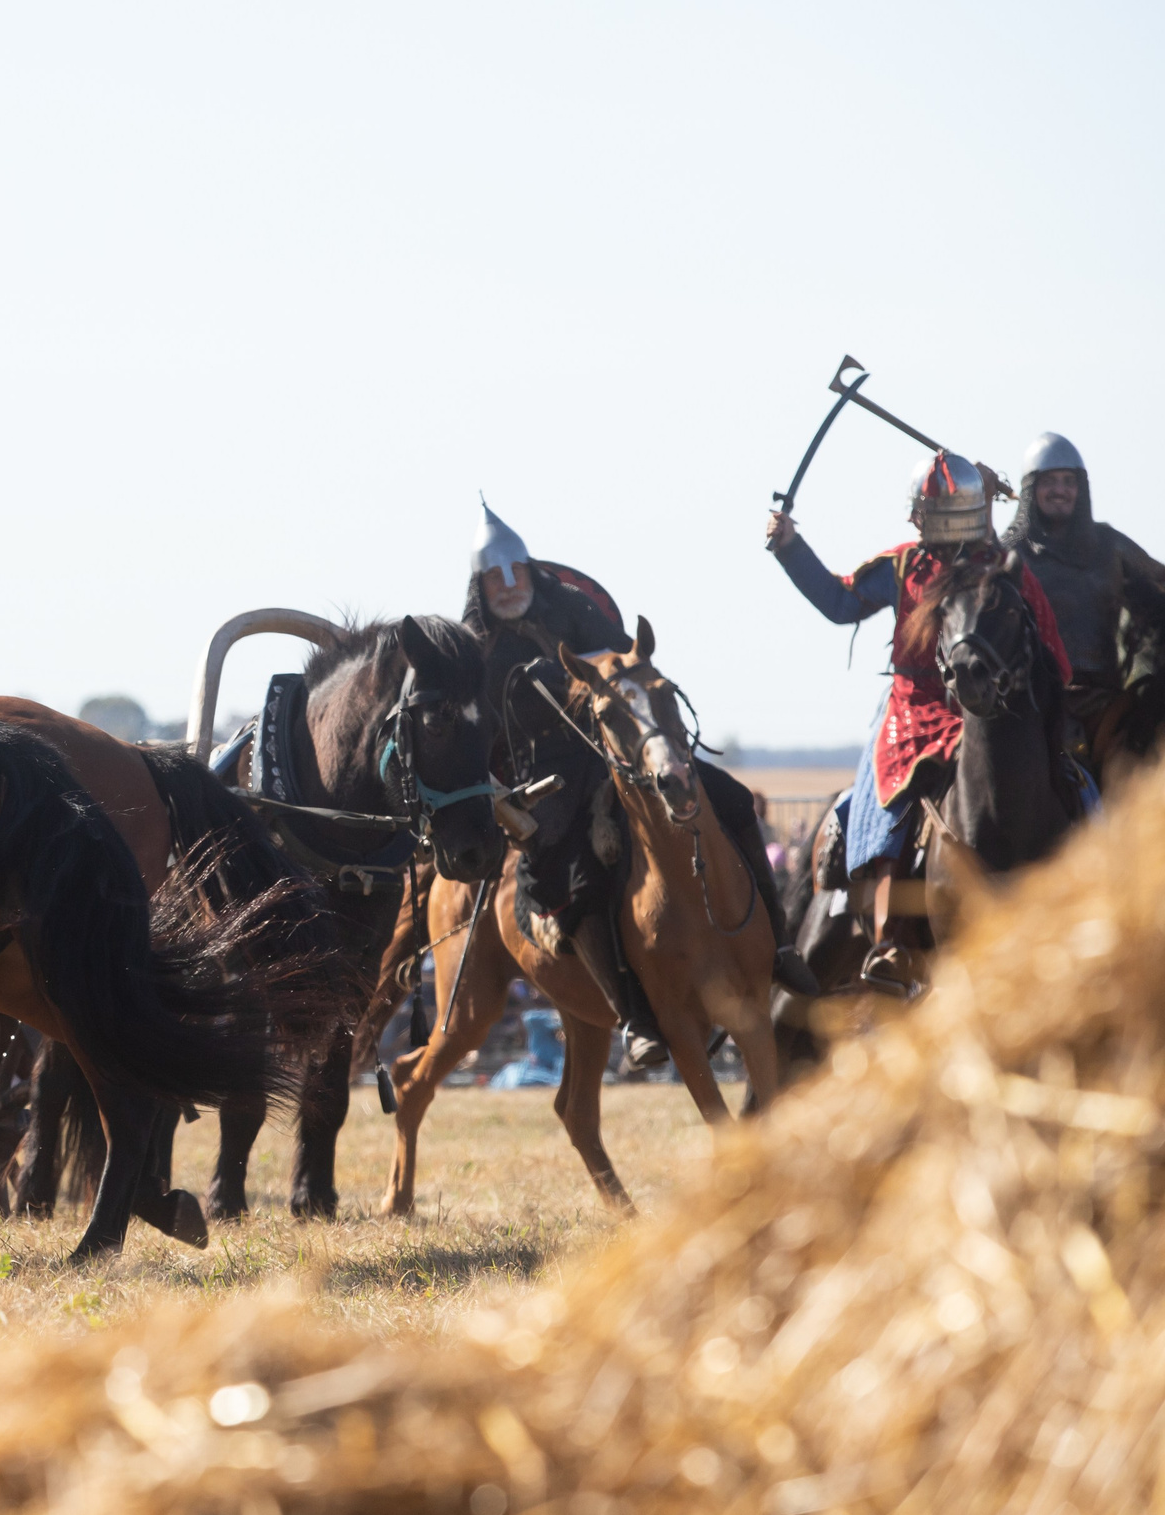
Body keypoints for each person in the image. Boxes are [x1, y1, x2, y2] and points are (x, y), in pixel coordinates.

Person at [465, 502, 805, 1057]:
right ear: (480, 585)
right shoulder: (476, 648)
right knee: (571, 880)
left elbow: (626, 659)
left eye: (516, 571)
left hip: (619, 749)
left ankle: (782, 949)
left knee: (733, 801)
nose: (508, 585)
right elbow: (474, 732)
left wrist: (580, 679)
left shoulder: (570, 606)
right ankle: (636, 1018)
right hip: (549, 782)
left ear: (528, 568)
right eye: (495, 578)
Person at [766, 450, 1064, 987]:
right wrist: (791, 547)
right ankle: (888, 941)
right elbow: (840, 601)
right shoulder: (903, 565)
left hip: (990, 709)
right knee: (889, 807)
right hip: (913, 710)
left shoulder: (999, 569)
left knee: (1072, 784)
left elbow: (1050, 652)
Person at [998, 432, 1165, 775]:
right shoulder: (1011, 554)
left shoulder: (1110, 545)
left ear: (1081, 488)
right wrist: (980, 498)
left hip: (1109, 710)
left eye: (1068, 481)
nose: (1060, 490)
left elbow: (1160, 579)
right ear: (1031, 489)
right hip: (1035, 706)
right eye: (1049, 481)